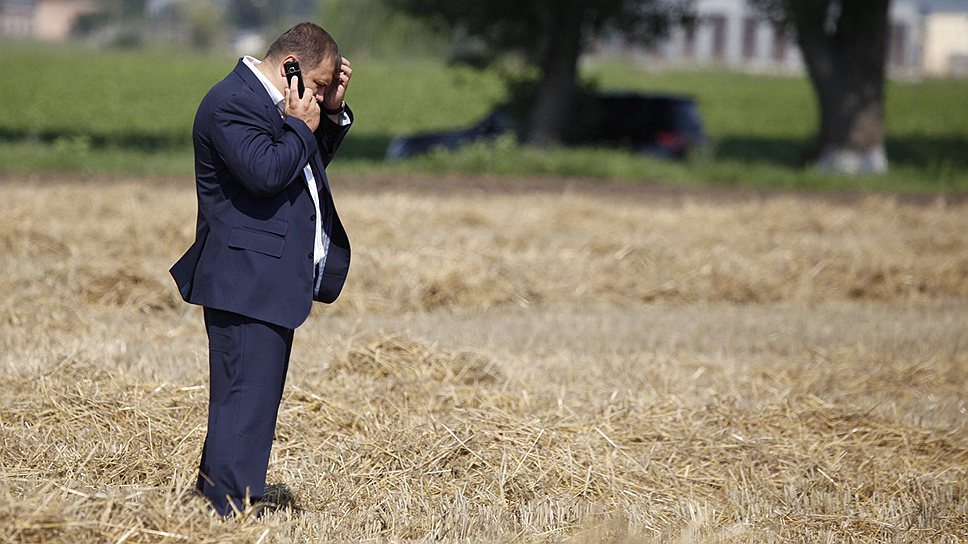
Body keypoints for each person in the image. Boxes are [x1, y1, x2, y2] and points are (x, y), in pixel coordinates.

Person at [169, 21, 353, 516]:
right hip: (243, 277)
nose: (315, 97)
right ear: (289, 65)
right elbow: (268, 172)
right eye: (316, 85)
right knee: (244, 402)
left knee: (249, 403)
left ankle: (216, 503)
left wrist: (329, 112)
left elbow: (302, 164)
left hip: (264, 279)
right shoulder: (233, 101)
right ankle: (226, 511)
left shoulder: (276, 106)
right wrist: (299, 123)